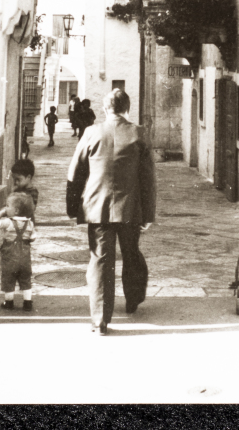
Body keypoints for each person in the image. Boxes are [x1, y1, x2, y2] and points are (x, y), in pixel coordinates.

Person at [66, 88, 156, 335]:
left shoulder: (91, 132)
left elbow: (75, 173)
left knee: (100, 260)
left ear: (106, 109)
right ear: (127, 109)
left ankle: (100, 320)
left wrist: (73, 207)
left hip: (97, 208)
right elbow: (148, 179)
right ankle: (133, 299)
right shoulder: (139, 133)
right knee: (131, 253)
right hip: (130, 209)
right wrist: (147, 215)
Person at [0, 192, 36, 311]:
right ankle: (27, 302)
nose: (6, 208)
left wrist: (1, 212)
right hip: (25, 257)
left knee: (8, 278)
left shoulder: (8, 222)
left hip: (10, 257)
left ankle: (9, 302)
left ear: (15, 211)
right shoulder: (30, 223)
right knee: (26, 279)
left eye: (7, 206)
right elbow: (32, 238)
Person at [0, 158, 39, 224]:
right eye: (14, 179)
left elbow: (31, 209)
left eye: (18, 179)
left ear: (28, 177)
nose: (16, 182)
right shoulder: (18, 189)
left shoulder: (33, 192)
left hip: (25, 222)